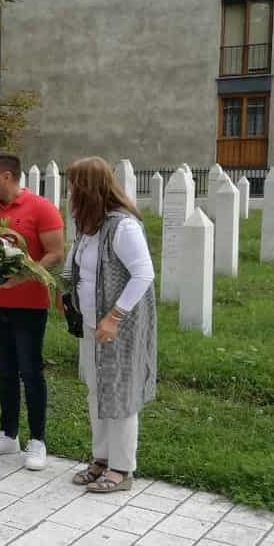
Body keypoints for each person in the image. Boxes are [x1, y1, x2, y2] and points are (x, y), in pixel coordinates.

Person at [63, 157, 157, 493]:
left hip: (118, 327)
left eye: (73, 184)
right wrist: (61, 288)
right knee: (97, 392)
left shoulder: (122, 226)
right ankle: (101, 458)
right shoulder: (88, 224)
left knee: (120, 394)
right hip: (91, 324)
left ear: (87, 188)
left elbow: (143, 274)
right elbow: (74, 266)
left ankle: (122, 468)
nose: (69, 191)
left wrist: (114, 317)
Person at [0, 152, 65, 470]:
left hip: (29, 306)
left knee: (30, 371)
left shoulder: (41, 208)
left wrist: (25, 275)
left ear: (7, 176)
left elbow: (56, 253)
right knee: (5, 370)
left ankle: (37, 440)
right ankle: (8, 434)